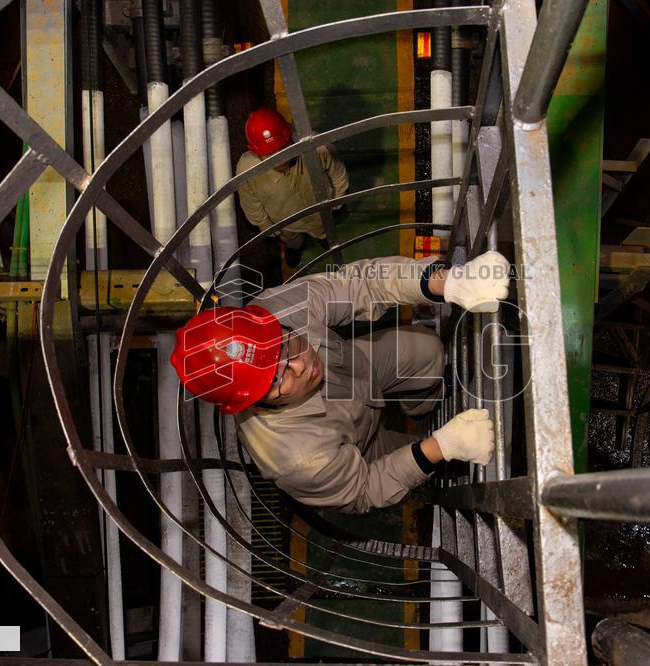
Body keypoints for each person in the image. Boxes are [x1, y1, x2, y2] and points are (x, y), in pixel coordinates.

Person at [170, 251, 511, 514]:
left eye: (284, 343)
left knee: (428, 350)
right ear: (255, 402)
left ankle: (424, 405)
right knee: (416, 458)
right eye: (277, 378)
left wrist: (447, 281)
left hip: (353, 369)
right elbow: (365, 490)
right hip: (359, 445)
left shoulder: (277, 310)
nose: (302, 364)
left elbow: (360, 283)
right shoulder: (297, 460)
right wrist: (440, 447)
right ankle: (433, 438)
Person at [235, 107, 349, 267]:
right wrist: (265, 226)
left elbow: (337, 172)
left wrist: (339, 197)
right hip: (285, 222)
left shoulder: (317, 147)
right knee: (291, 240)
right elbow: (251, 203)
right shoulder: (247, 171)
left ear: (289, 136)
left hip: (320, 213)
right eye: (271, 153)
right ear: (257, 152)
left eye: (283, 147)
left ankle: (324, 239)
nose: (280, 159)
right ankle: (294, 248)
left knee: (324, 231)